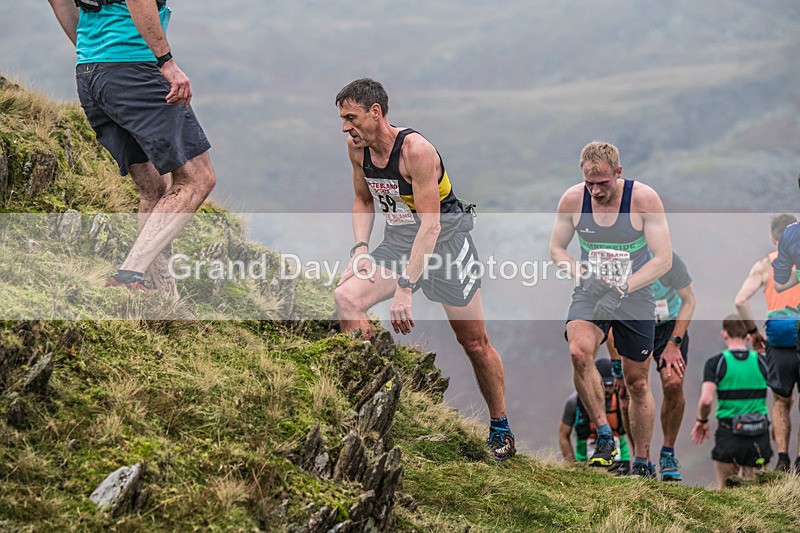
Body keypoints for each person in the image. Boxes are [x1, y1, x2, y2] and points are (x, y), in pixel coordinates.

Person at [333, 78, 515, 460]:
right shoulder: (356, 149)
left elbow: (431, 226)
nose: (345, 127)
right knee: (346, 298)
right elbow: (363, 200)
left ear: (375, 112)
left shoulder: (416, 150)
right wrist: (361, 249)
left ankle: (500, 427)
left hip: (447, 243)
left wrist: (405, 287)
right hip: (400, 241)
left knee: (474, 342)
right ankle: (367, 401)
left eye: (351, 118)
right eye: (342, 119)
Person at [47, 0, 216, 301]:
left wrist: (96, 53)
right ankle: (128, 275)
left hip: (91, 73)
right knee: (197, 178)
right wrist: (166, 62)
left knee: (152, 188)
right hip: (134, 69)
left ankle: (167, 299)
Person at [549, 141, 672, 478]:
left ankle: (643, 461)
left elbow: (663, 259)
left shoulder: (643, 199)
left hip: (634, 295)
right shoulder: (574, 200)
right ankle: (604, 434)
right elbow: (557, 249)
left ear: (619, 173)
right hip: (592, 291)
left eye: (603, 183)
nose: (596, 190)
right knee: (578, 351)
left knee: (636, 384)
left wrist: (625, 286)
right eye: (590, 183)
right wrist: (581, 274)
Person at [606, 251, 695, 481]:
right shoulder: (621, 264)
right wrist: (617, 367)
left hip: (669, 326)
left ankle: (668, 453)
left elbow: (689, 300)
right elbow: (610, 318)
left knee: (674, 384)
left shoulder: (669, 260)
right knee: (629, 392)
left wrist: (674, 343)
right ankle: (640, 459)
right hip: (635, 324)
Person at [735, 214, 800, 473]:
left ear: (774, 239)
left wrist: (752, 332)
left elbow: (740, 300)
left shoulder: (765, 265)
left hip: (779, 338)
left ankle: (782, 458)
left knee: (781, 400)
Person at [691, 315, 772, 489]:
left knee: (726, 497)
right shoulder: (762, 361)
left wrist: (702, 421)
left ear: (724, 334)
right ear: (748, 336)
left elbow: (706, 399)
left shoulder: (717, 363)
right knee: (758, 495)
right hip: (759, 437)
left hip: (729, 437)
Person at [559, 358, 631, 474]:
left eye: (610, 384)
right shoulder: (574, 402)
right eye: (603, 384)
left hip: (620, 461)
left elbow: (632, 429)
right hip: (585, 461)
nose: (607, 389)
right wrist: (572, 466)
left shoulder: (621, 399)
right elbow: (563, 434)